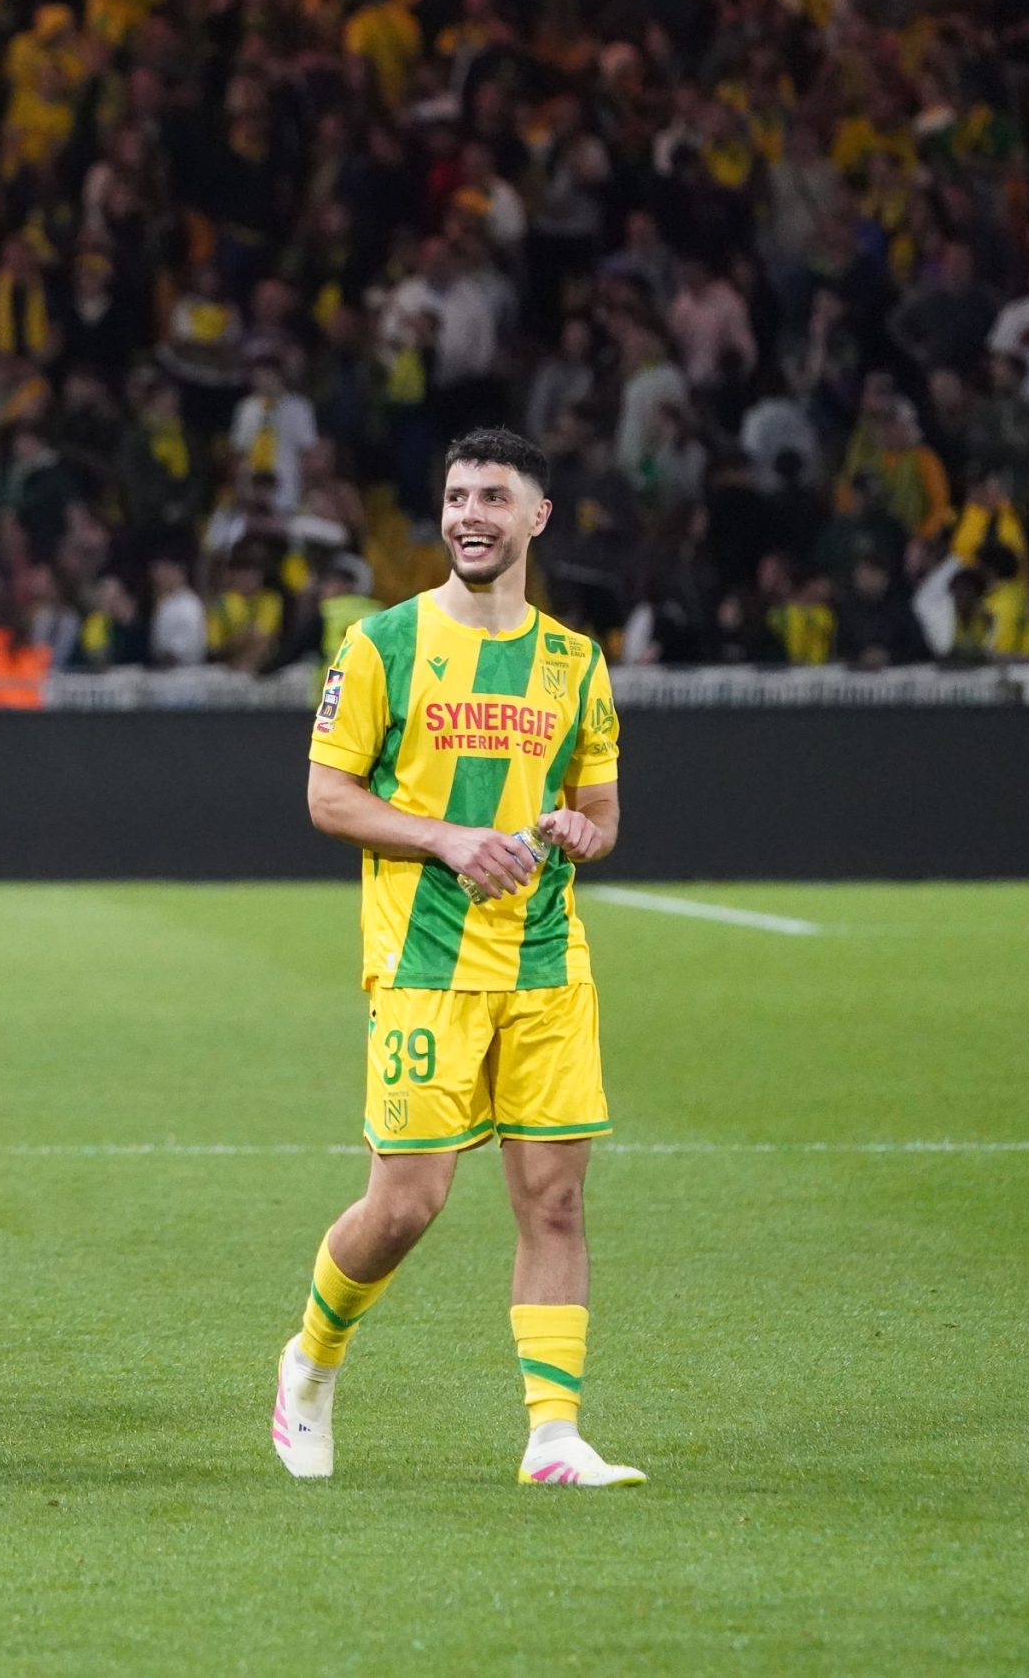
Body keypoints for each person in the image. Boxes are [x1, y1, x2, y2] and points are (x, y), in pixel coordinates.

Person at [273, 427, 643, 1489]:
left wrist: (581, 832)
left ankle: (552, 1434)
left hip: (544, 964)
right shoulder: (383, 643)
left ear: (537, 518)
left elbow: (601, 809)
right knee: (407, 1204)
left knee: (556, 1201)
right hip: (427, 963)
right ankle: (310, 1359)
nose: (468, 514)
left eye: (492, 496)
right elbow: (324, 794)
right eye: (455, 496)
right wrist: (443, 838)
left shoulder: (574, 662)